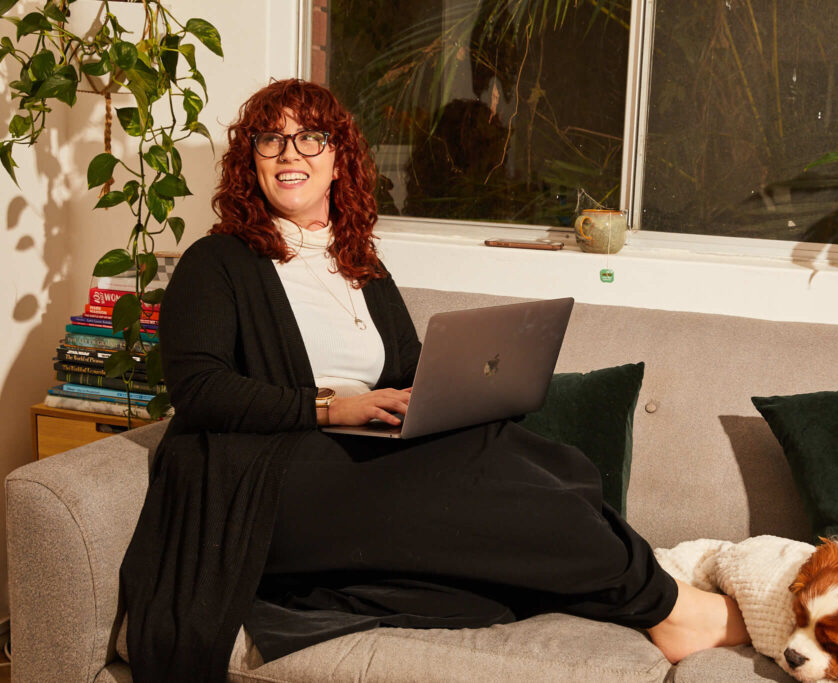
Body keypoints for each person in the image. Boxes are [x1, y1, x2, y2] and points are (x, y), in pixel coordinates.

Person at [120, 79, 749, 681]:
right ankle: (669, 609)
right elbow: (199, 391)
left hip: (352, 455)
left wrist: (445, 396)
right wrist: (333, 409)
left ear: (339, 161)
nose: (290, 154)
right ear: (249, 161)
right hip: (267, 478)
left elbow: (403, 372)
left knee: (551, 463)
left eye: (311, 138)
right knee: (483, 481)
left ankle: (636, 588)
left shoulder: (359, 262)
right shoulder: (218, 261)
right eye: (270, 140)